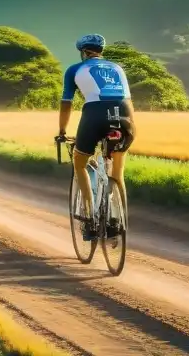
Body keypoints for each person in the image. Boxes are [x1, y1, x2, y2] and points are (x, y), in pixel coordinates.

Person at [58, 34, 136, 241]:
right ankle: (116, 220)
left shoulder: (74, 69)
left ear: (83, 52)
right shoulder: (118, 68)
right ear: (101, 51)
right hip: (125, 115)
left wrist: (62, 131)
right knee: (118, 171)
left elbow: (67, 103)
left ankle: (90, 216)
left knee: (80, 161)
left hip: (94, 114)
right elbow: (127, 99)